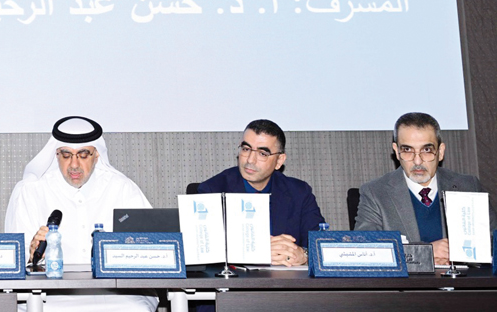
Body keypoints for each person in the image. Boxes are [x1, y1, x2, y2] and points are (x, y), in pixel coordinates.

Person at [5, 116, 157, 311]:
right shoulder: (31, 191)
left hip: (118, 292)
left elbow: (153, 246)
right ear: (56, 155)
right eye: (66, 155)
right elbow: (14, 261)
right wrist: (31, 255)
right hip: (50, 293)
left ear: (97, 155)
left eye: (83, 155)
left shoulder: (122, 188)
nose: (74, 165)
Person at [355, 112, 497, 261]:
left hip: (462, 282)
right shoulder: (376, 193)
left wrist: (460, 252)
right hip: (409, 284)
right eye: (408, 150)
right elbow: (366, 249)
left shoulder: (468, 186)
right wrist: (425, 252)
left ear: (440, 152)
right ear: (396, 152)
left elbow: (494, 241)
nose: (417, 161)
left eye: (427, 150)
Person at [198, 119, 324, 266]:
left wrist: (304, 255)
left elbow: (322, 243)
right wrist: (258, 252)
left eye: (263, 153)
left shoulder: (299, 192)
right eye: (246, 149)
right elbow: (203, 252)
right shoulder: (213, 190)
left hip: (289, 283)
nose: (250, 160)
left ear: (279, 161)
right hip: (237, 285)